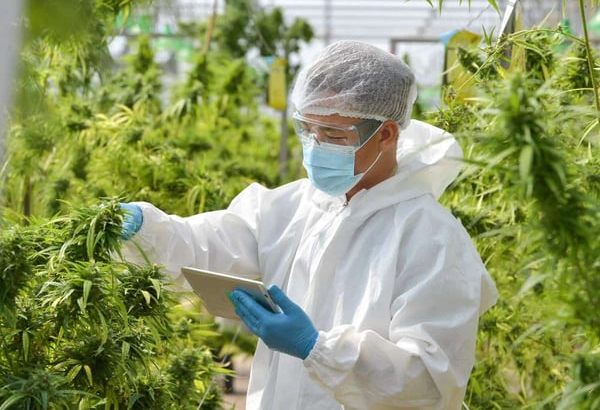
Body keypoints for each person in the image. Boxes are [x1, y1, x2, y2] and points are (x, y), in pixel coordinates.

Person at [119, 40, 498, 410]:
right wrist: (146, 230)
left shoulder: (431, 238)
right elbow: (210, 247)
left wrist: (316, 348)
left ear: (385, 134)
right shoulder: (292, 206)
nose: (316, 147)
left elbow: (430, 383)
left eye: (334, 135)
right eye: (307, 130)